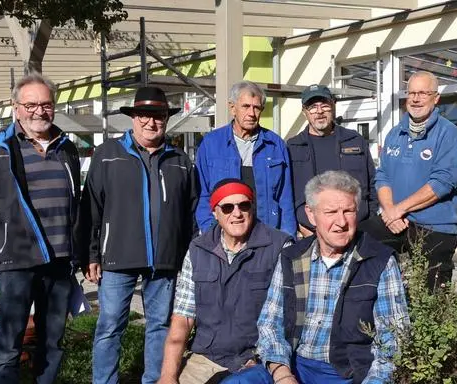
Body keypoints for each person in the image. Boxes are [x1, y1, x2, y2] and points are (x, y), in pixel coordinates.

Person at [233, 170, 410, 384]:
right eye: (331, 212)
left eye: (348, 211)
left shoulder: (379, 261)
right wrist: (282, 374)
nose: (341, 222)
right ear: (311, 214)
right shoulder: (292, 257)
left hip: (346, 372)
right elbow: (270, 324)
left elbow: (394, 339)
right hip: (293, 364)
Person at [0, 73, 80, 384]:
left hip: (59, 263)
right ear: (16, 108)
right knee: (8, 344)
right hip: (15, 262)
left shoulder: (67, 148)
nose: (39, 111)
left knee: (52, 343)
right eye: (31, 104)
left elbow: (75, 203)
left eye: (46, 104)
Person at [79, 86, 199, 384]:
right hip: (118, 256)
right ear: (133, 118)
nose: (151, 122)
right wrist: (91, 253)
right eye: (144, 115)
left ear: (166, 120)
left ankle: (154, 380)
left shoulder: (180, 160)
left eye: (158, 116)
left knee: (159, 325)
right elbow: (91, 205)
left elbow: (191, 212)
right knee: (110, 325)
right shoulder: (107, 154)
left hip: (165, 259)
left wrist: (188, 256)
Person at [158, 179, 292, 384]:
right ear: (215, 212)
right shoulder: (198, 250)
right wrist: (167, 376)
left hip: (257, 358)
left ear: (252, 208)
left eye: (244, 205)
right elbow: (183, 318)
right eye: (228, 207)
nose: (236, 213)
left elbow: (284, 318)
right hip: (207, 357)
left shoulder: (279, 246)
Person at [367, 71, 457, 291]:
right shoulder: (395, 133)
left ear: (436, 98)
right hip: (397, 223)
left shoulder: (448, 134)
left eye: (422, 93)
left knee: (432, 299)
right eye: (411, 93)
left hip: (434, 228)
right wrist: (390, 211)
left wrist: (396, 210)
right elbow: (382, 176)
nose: (416, 98)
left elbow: (442, 183)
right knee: (360, 240)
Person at [195, 81, 296, 235]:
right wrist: (210, 232)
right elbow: (203, 195)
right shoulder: (211, 144)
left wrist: (288, 238)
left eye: (256, 108)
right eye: (246, 106)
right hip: (224, 234)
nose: (251, 113)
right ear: (232, 108)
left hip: (266, 233)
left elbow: (285, 197)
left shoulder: (275, 145)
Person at [287, 84, 378, 238]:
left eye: (324, 105)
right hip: (311, 233)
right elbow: (286, 193)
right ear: (305, 112)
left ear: (333, 105)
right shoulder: (293, 147)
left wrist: (369, 221)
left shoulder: (354, 141)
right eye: (313, 107)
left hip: (355, 230)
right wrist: (299, 225)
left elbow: (373, 184)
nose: (319, 111)